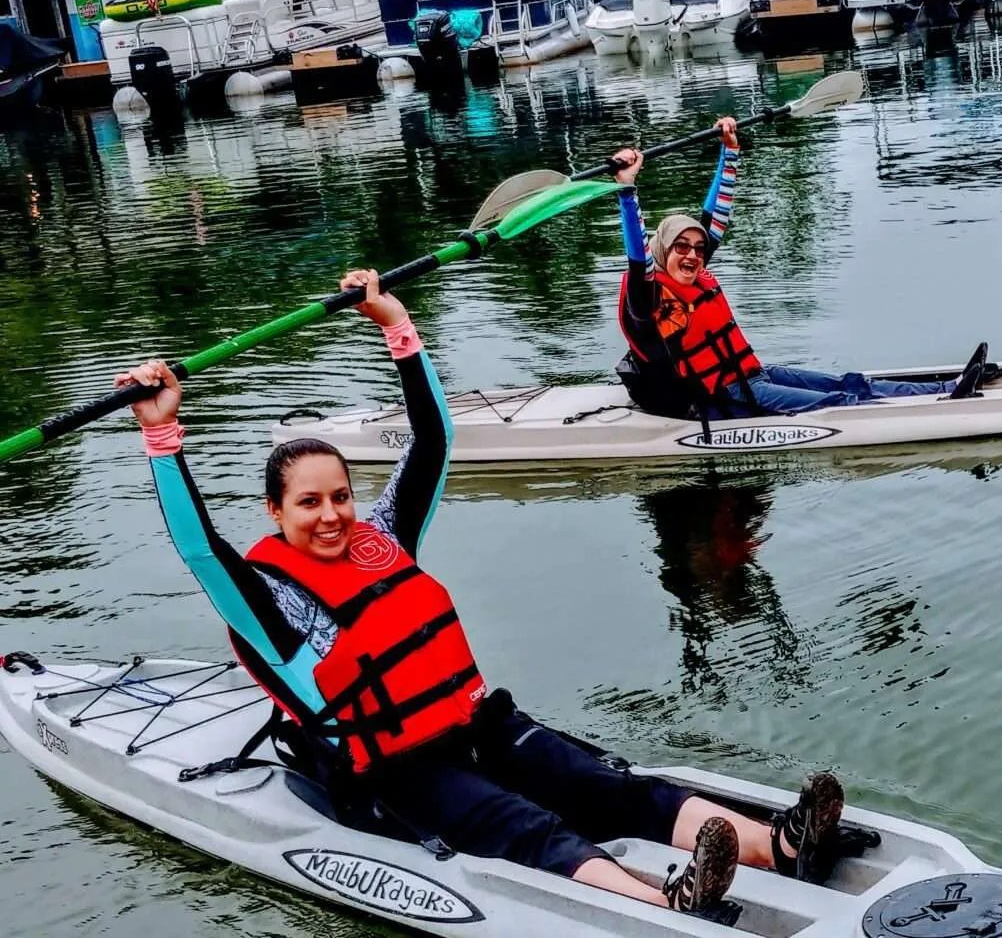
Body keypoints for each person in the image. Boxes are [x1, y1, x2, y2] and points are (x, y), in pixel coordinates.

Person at [115, 268, 864, 921]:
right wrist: (163, 435)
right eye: (308, 503)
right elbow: (198, 549)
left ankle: (783, 843)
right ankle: (667, 901)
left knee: (610, 788)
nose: (332, 514)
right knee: (527, 824)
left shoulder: (383, 540)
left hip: (473, 723)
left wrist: (398, 329)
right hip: (396, 774)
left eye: (339, 495)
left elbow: (432, 440)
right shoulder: (269, 602)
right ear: (275, 514)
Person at [611, 124, 998, 420]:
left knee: (848, 382)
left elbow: (716, 218)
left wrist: (729, 154)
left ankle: (950, 386)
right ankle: (942, 407)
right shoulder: (648, 296)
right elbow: (636, 255)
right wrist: (628, 190)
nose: (693, 255)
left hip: (752, 376)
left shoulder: (693, 275)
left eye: (698, 249)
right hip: (724, 394)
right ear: (662, 251)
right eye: (681, 247)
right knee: (837, 402)